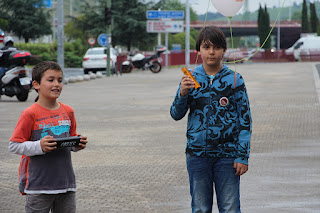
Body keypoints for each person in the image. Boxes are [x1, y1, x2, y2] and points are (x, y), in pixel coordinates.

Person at [170, 26, 252, 213]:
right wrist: (182, 93)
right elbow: (176, 114)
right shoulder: (190, 78)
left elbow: (245, 120)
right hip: (197, 155)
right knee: (200, 208)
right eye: (206, 47)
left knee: (230, 208)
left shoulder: (234, 80)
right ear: (198, 50)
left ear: (224, 50)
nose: (212, 52)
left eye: (216, 47)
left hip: (228, 156)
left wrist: (242, 155)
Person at [9, 61, 88, 213]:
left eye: (60, 80)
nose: (57, 84)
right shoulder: (30, 113)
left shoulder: (68, 111)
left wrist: (76, 144)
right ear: (36, 84)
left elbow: (69, 139)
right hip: (39, 186)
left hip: (66, 185)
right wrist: (39, 146)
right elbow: (14, 145)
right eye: (51, 80)